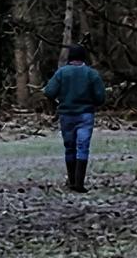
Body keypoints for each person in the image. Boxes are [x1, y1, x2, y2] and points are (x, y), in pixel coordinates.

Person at [44, 44, 106, 193]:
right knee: (82, 147)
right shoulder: (91, 74)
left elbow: (49, 91)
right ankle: (79, 183)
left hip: (66, 114)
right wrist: (92, 102)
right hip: (85, 114)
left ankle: (71, 181)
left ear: (70, 57)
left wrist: (59, 100)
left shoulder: (61, 73)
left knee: (69, 147)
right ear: (83, 57)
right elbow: (100, 97)